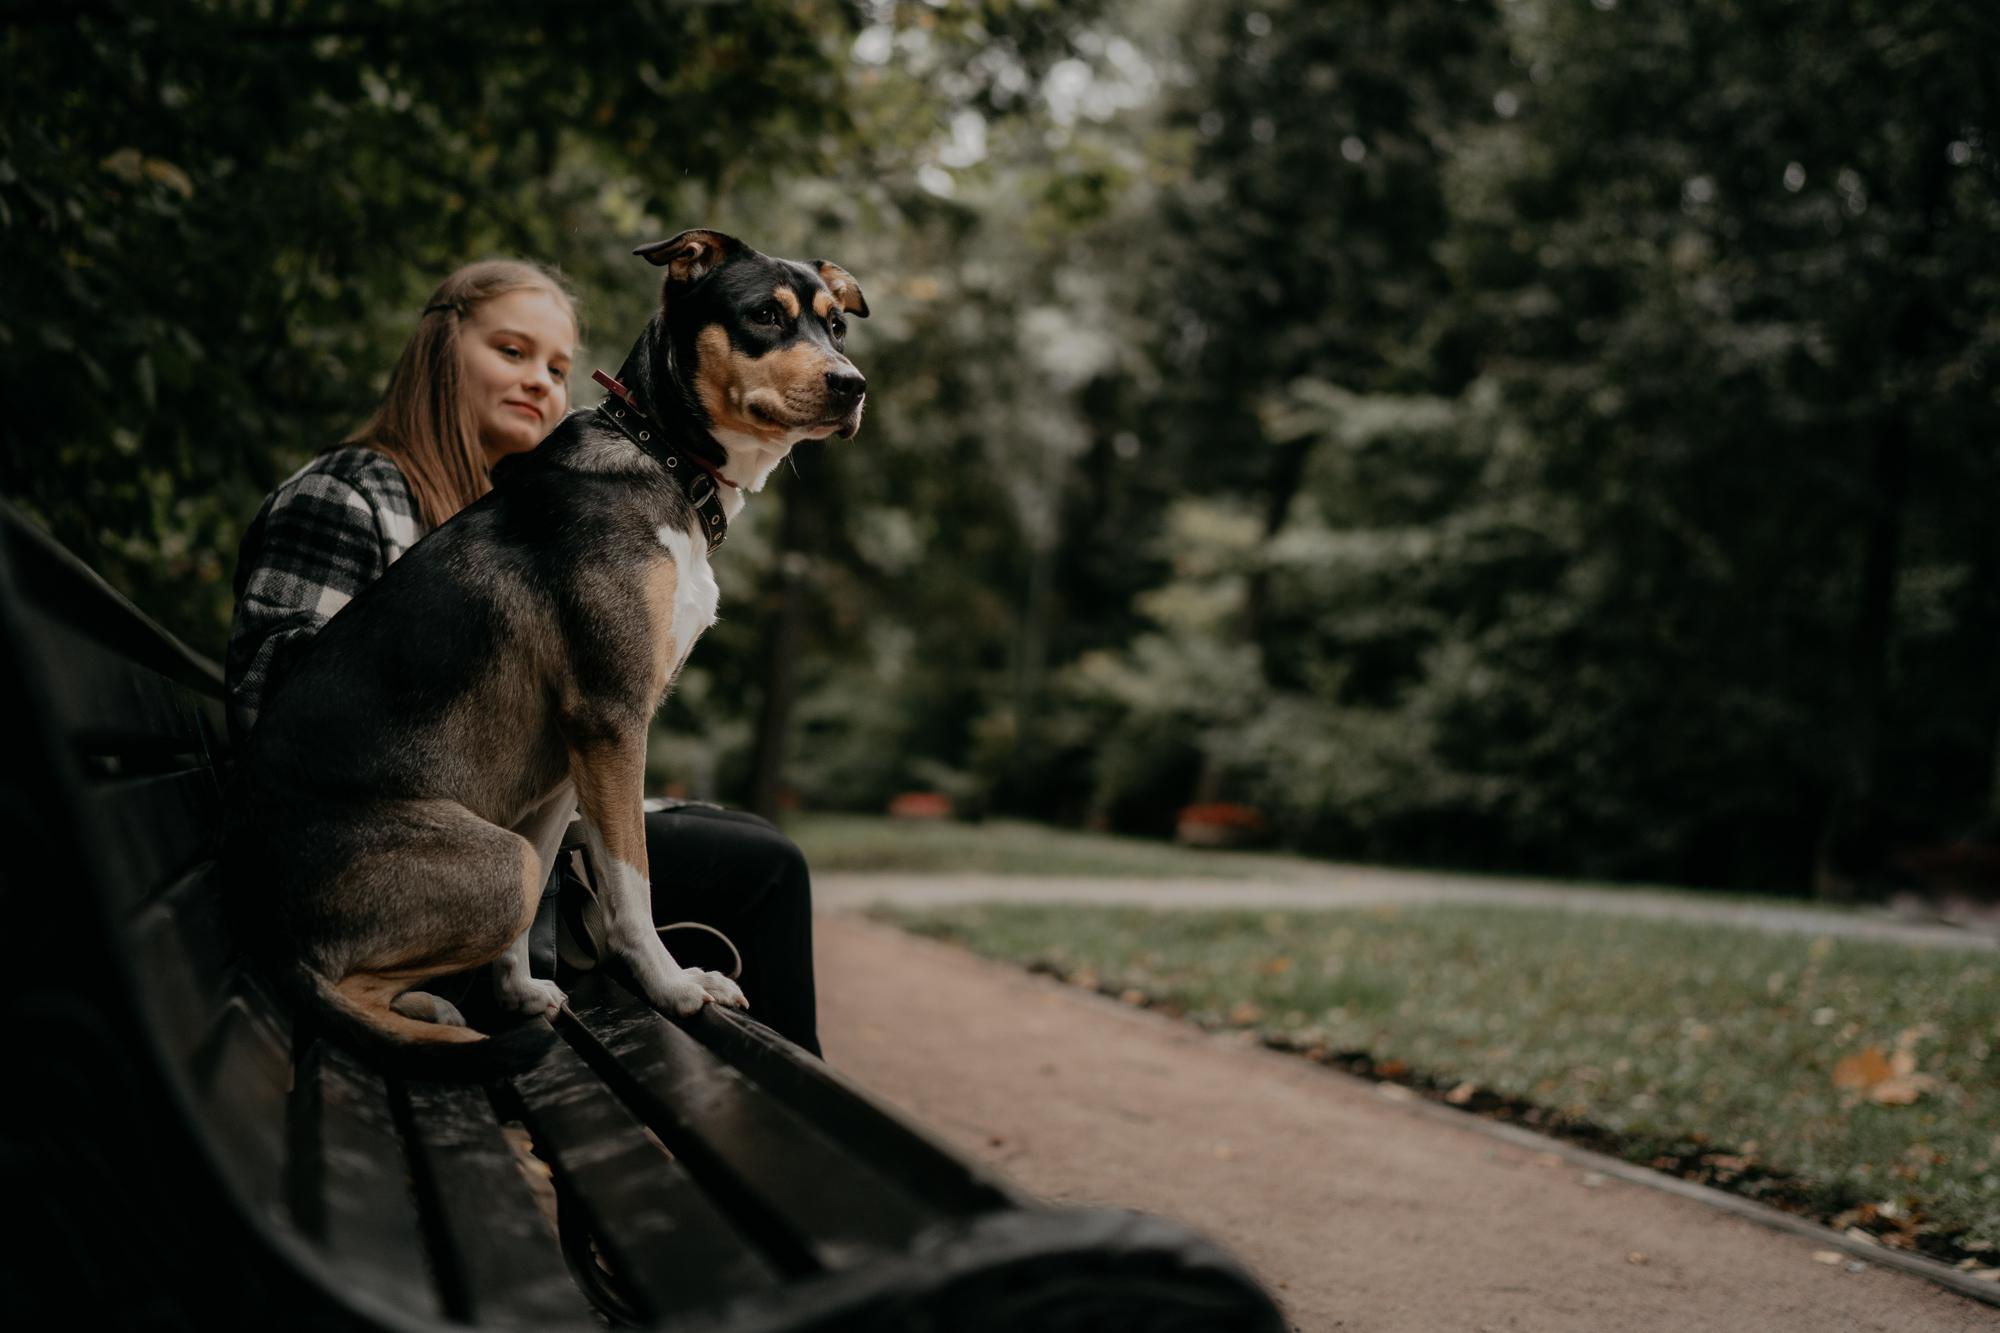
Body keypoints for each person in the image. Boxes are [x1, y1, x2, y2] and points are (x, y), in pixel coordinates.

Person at [225, 259, 820, 1055]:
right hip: (374, 848)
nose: (540, 381)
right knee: (761, 866)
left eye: (558, 367)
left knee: (747, 841)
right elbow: (285, 703)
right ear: (441, 350)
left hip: (468, 841)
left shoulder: (522, 508)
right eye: (512, 351)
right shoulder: (350, 493)